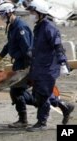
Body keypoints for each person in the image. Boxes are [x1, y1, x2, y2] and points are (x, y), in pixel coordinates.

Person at [26, 0, 75, 131]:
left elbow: (58, 46)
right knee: (39, 93)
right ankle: (65, 106)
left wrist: (63, 63)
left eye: (32, 12)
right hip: (38, 66)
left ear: (40, 13)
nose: (30, 14)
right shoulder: (39, 26)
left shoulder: (49, 27)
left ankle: (41, 123)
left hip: (48, 68)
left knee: (42, 96)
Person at [0, 2, 34, 128]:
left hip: (24, 63)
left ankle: (23, 120)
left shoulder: (20, 28)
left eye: (2, 15)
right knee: (16, 91)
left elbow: (27, 51)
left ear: (10, 12)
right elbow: (9, 45)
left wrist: (29, 70)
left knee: (16, 91)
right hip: (18, 63)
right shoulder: (12, 26)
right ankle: (57, 104)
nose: (1, 18)